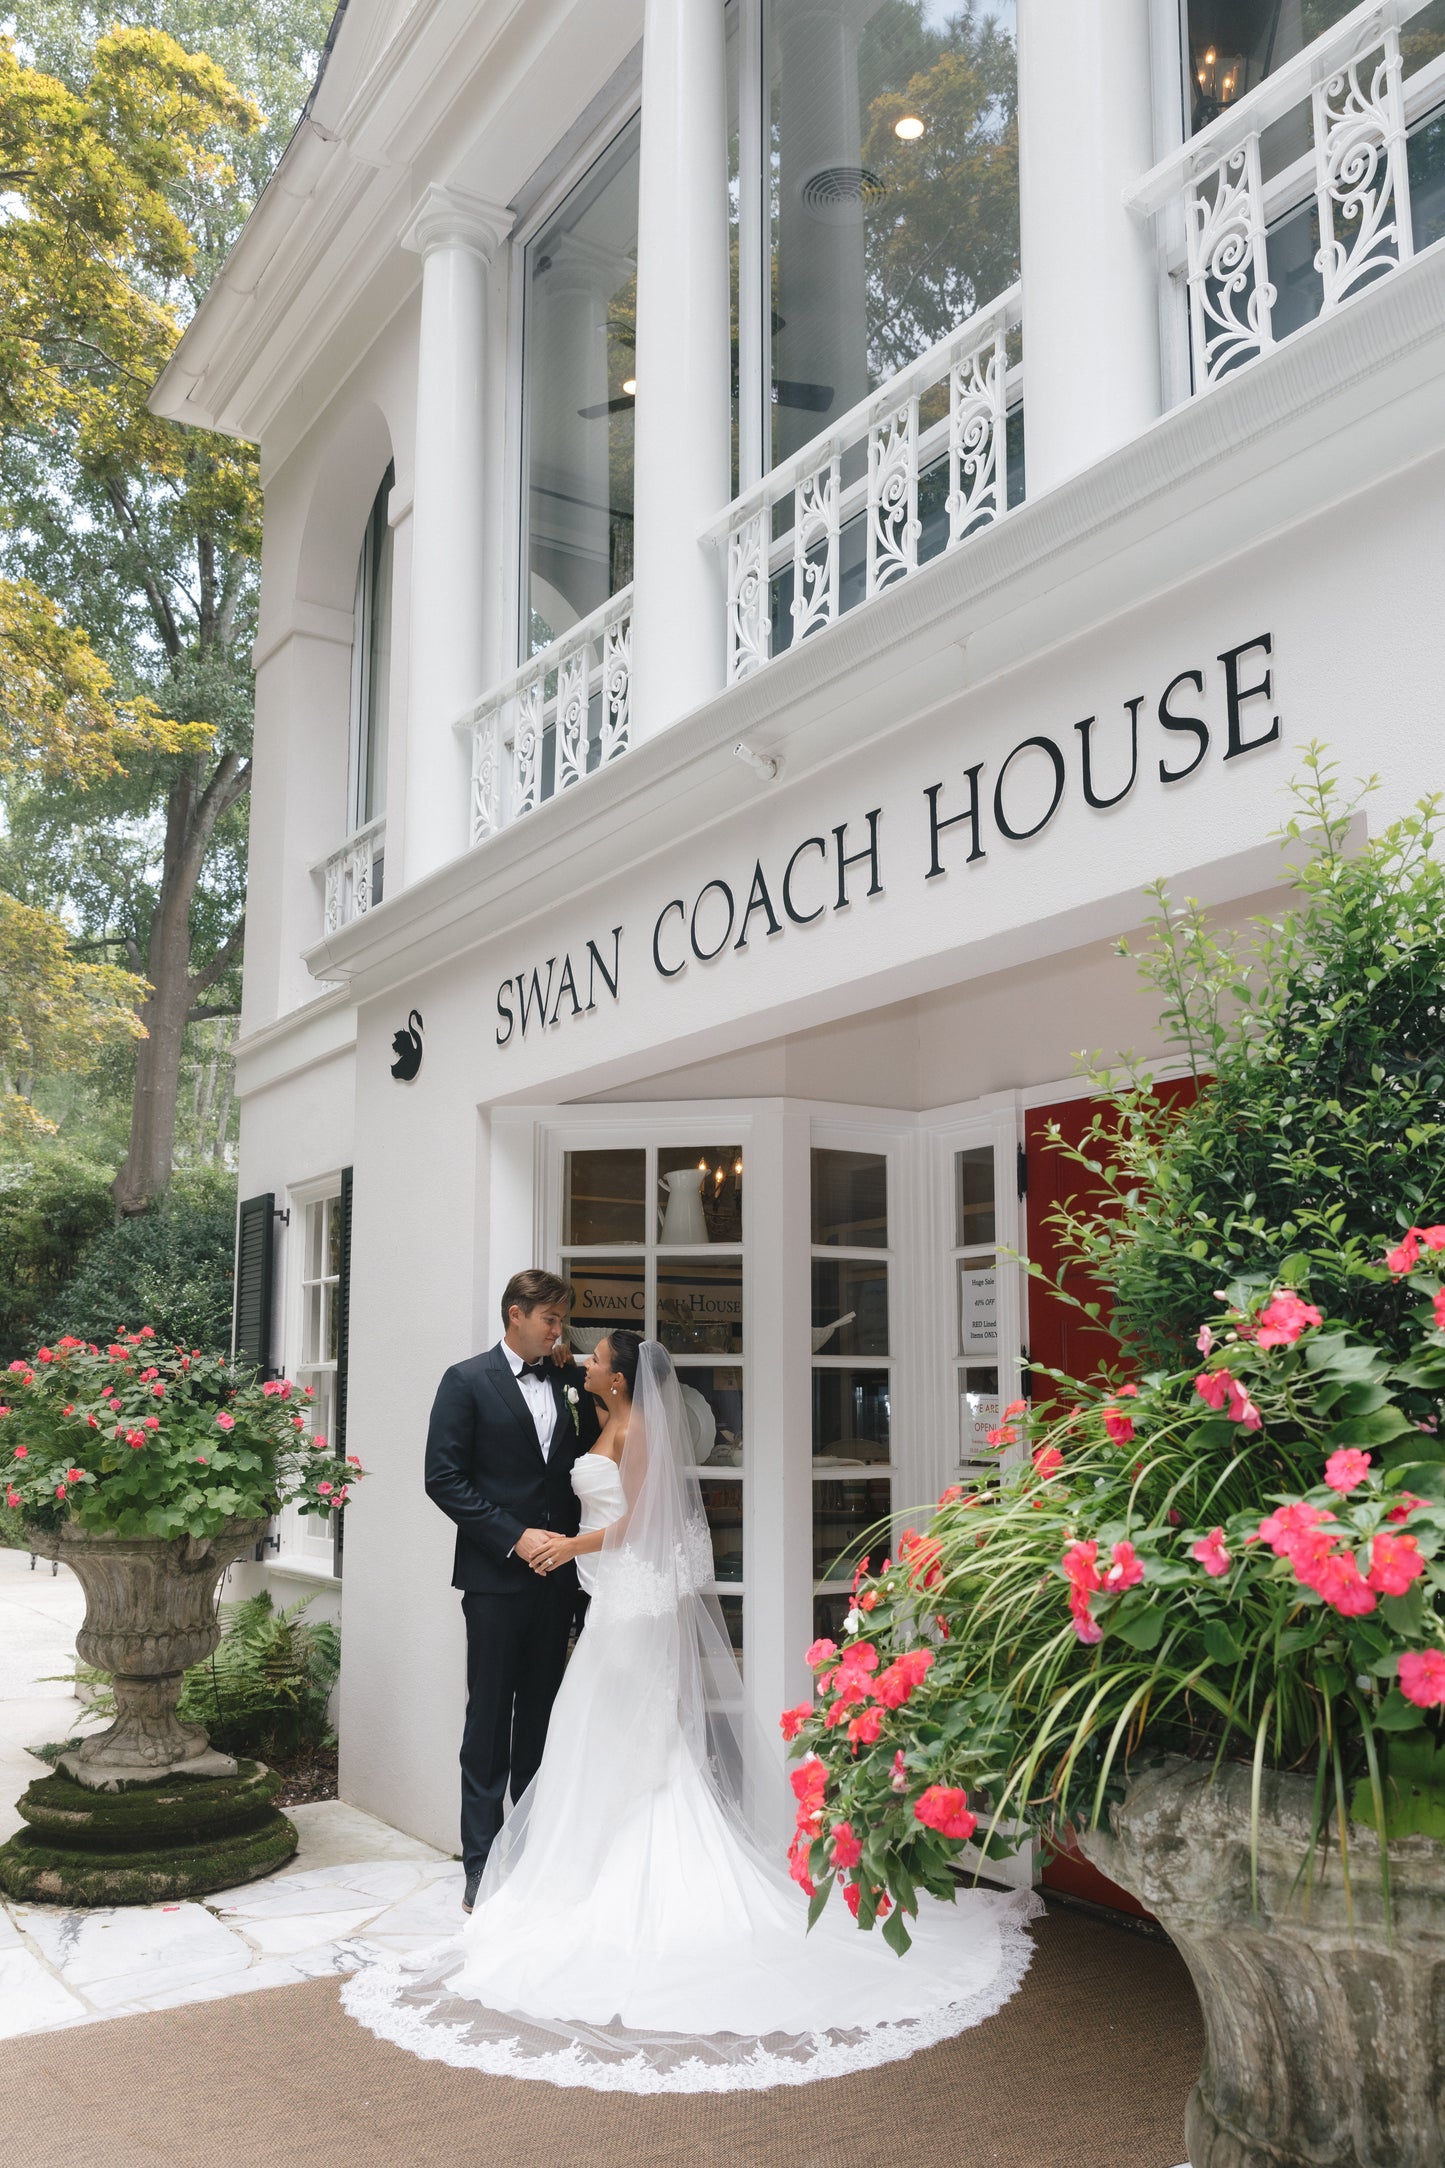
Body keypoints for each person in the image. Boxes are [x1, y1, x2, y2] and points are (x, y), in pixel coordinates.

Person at [348, 1334, 1041, 2092]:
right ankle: (551, 1870)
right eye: (573, 1342)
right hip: (603, 1599)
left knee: (613, 1735)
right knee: (588, 1733)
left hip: (627, 1606)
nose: (581, 1355)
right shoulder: (594, 1417)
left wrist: (563, 1546)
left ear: (619, 1374)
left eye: (596, 1353)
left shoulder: (636, 1430)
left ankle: (605, 1880)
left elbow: (641, 1524)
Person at [422, 1268, 599, 1910]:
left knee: (543, 1719)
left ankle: (529, 1851)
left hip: (560, 1582)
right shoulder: (465, 1381)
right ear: (514, 1315)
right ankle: (480, 1863)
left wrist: (575, 1365)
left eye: (562, 1320)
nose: (559, 1330)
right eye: (551, 1319)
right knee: (489, 1718)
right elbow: (443, 1478)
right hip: (496, 1579)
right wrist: (512, 1536)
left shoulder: (568, 1381)